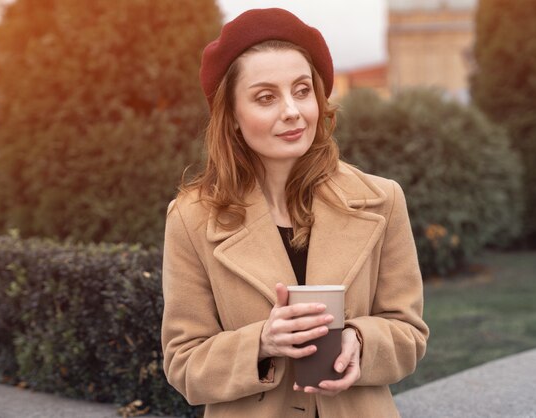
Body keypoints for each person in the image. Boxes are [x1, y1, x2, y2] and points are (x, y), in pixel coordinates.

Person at [161, 8, 429, 418]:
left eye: (302, 90)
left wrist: (360, 340)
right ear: (232, 116)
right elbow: (183, 364)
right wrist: (262, 342)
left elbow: (409, 334)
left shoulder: (383, 199)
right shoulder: (191, 218)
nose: (291, 110)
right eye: (266, 97)